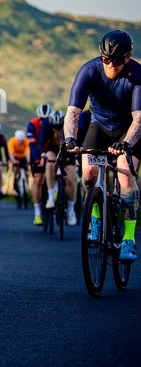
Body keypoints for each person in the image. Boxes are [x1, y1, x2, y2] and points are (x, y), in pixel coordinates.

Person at [63, 30, 141, 261]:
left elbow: (139, 118)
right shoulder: (89, 71)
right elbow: (73, 113)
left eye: (115, 60)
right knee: (88, 173)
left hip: (129, 130)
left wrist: (126, 143)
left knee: (126, 176)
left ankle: (129, 238)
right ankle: (95, 217)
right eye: (105, 59)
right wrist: (70, 139)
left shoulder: (136, 74)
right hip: (100, 126)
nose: (110, 64)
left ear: (127, 58)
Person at [41, 110, 77, 226]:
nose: (57, 130)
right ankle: (51, 195)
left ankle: (71, 210)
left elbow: (79, 140)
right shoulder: (46, 124)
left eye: (59, 127)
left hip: (68, 150)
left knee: (71, 181)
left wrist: (78, 157)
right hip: (53, 149)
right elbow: (41, 142)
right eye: (54, 128)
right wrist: (42, 154)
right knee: (49, 163)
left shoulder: (69, 124)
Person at [28, 104, 53, 225]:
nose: (44, 122)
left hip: (51, 153)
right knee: (38, 180)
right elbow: (32, 146)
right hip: (37, 154)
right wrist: (38, 160)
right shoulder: (32, 124)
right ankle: (37, 212)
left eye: (47, 119)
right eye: (42, 119)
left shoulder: (53, 123)